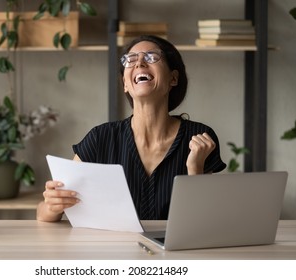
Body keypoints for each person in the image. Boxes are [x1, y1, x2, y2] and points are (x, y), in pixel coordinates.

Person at [37, 35, 226, 222]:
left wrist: (195, 168)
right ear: (126, 83)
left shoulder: (199, 138)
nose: (140, 63)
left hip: (175, 251)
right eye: (131, 59)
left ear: (173, 78)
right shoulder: (100, 138)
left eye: (151, 57)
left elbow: (204, 221)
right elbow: (43, 214)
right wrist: (52, 205)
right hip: (115, 251)